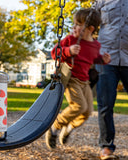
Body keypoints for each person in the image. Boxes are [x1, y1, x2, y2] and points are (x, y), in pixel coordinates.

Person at [45, 8, 111, 150]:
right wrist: (68, 51)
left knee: (87, 112)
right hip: (71, 79)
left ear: (89, 29)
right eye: (73, 24)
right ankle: (55, 126)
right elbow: (54, 53)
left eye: (78, 25)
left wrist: (103, 60)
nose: (73, 27)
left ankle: (68, 128)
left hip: (84, 81)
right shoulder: (70, 40)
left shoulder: (95, 45)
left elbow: (92, 59)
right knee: (79, 106)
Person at [95, 0, 128, 159]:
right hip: (106, 59)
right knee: (105, 105)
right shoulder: (102, 1)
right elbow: (86, 24)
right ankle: (107, 147)